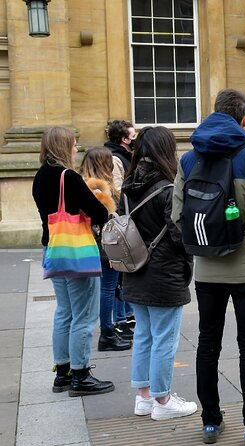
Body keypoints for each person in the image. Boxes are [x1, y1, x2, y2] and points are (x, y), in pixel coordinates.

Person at [172, 88, 245, 445]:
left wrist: (200, 248)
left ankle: (211, 422)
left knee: (208, 343)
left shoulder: (189, 160)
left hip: (207, 269)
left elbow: (177, 216)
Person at [120, 126, 197, 421]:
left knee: (144, 335)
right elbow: (179, 235)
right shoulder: (168, 187)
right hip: (163, 273)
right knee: (164, 338)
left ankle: (143, 397)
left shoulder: (129, 185)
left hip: (134, 269)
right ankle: (163, 400)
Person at [32, 126, 115, 396]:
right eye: (73, 144)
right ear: (62, 147)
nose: (76, 149)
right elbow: (99, 212)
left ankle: (62, 373)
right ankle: (81, 375)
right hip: (76, 251)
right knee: (84, 315)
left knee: (64, 312)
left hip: (54, 249)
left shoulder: (40, 176)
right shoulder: (68, 176)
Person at [79, 147, 132, 352]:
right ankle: (107, 332)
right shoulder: (98, 190)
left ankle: (111, 328)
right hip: (105, 245)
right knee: (108, 288)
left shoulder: (87, 186)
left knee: (108, 287)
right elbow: (106, 219)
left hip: (97, 244)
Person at [103, 119, 136, 334]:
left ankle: (125, 314)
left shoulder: (125, 156)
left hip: (125, 217)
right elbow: (117, 189)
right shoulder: (116, 158)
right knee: (117, 275)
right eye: (133, 136)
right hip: (121, 220)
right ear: (124, 139)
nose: (136, 140)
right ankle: (120, 318)